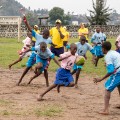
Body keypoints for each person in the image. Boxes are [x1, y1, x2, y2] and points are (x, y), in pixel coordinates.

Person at [17, 16, 53, 86]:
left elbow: (52, 43)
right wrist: (26, 22)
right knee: (28, 67)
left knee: (45, 69)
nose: (47, 36)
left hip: (43, 56)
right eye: (47, 35)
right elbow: (30, 29)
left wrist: (54, 45)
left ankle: (47, 83)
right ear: (43, 34)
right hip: (35, 54)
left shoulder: (48, 39)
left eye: (48, 35)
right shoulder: (37, 36)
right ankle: (20, 80)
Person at [93, 41, 120, 115]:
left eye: (101, 48)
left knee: (108, 89)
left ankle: (106, 110)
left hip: (118, 73)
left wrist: (101, 79)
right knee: (119, 86)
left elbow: (111, 71)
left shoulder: (107, 56)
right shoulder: (114, 52)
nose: (101, 49)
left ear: (104, 49)